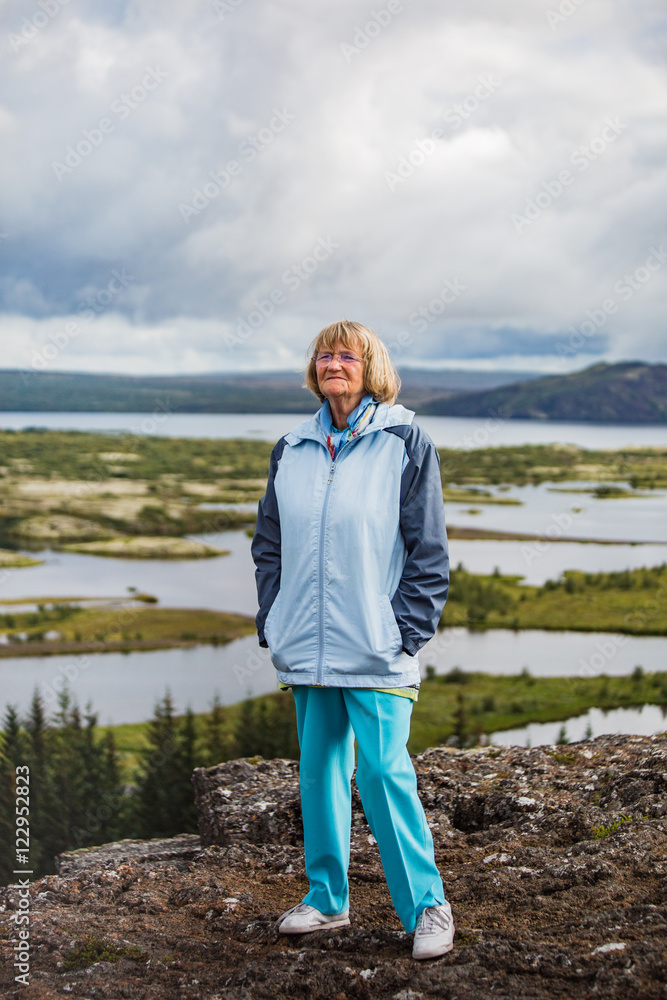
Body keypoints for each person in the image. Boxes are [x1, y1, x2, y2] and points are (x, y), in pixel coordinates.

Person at [251, 320, 453, 960]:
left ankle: (428, 908)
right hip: (306, 647)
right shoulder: (292, 446)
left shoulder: (404, 440)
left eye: (346, 354)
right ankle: (327, 899)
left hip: (376, 648)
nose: (331, 362)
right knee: (319, 771)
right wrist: (273, 617)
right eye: (323, 354)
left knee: (384, 772)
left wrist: (406, 634)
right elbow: (269, 546)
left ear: (371, 368)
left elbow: (429, 552)